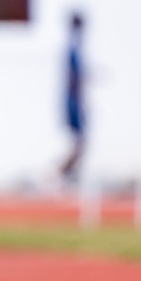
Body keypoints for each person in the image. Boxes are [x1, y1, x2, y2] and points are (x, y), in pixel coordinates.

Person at [60, 12, 86, 180]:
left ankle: (68, 174)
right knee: (79, 141)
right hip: (73, 101)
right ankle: (62, 173)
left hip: (75, 100)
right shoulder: (72, 48)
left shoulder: (76, 46)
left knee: (80, 142)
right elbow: (72, 78)